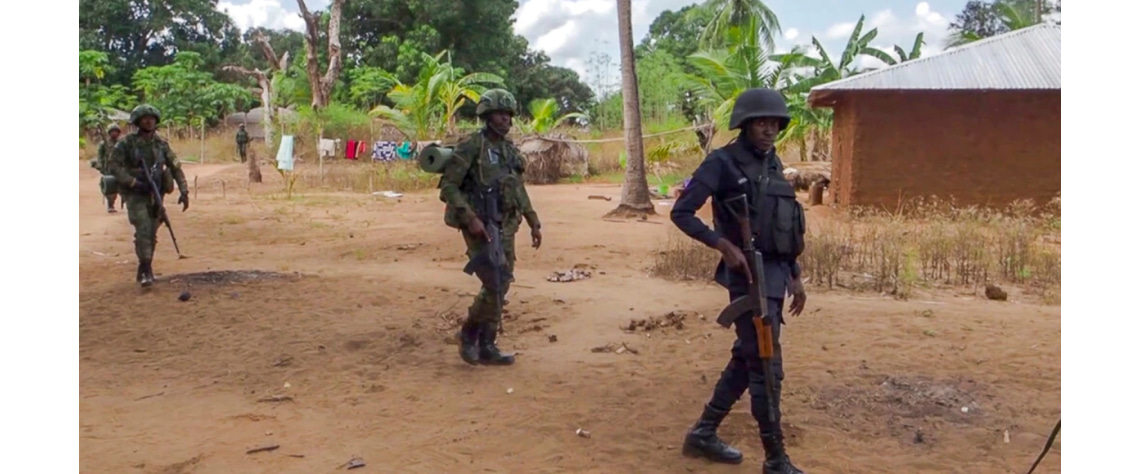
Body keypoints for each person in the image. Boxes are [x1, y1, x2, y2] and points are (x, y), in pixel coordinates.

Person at [669, 88, 808, 474]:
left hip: (776, 277)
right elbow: (682, 212)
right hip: (747, 277)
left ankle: (704, 432)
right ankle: (776, 459)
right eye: (762, 122)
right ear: (745, 125)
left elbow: (785, 225)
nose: (770, 129)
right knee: (766, 365)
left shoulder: (773, 163)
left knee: (749, 356)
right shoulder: (722, 163)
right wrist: (722, 245)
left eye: (775, 123)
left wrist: (795, 274)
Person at [438, 88, 542, 366]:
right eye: (499, 114)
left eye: (508, 114)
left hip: (505, 224)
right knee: (494, 281)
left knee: (503, 281)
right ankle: (469, 333)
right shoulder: (472, 146)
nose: (505, 119)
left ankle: (488, 344)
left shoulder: (508, 151)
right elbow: (448, 186)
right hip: (479, 224)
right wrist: (471, 219)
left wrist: (533, 220)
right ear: (486, 116)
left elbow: (517, 188)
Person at [107, 104, 190, 287]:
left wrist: (184, 191)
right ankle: (146, 269)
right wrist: (132, 182)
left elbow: (175, 167)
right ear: (137, 122)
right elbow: (113, 166)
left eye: (151, 118)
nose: (148, 121)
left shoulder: (161, 145)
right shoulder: (126, 143)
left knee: (151, 232)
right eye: (144, 118)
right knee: (143, 229)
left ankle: (145, 265)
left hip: (156, 193)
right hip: (135, 194)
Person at [96, 124, 123, 213]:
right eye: (112, 131)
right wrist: (100, 165)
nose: (114, 133)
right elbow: (100, 156)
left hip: (121, 168)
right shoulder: (104, 144)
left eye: (116, 131)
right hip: (109, 168)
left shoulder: (122, 143)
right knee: (111, 187)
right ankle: (111, 205)